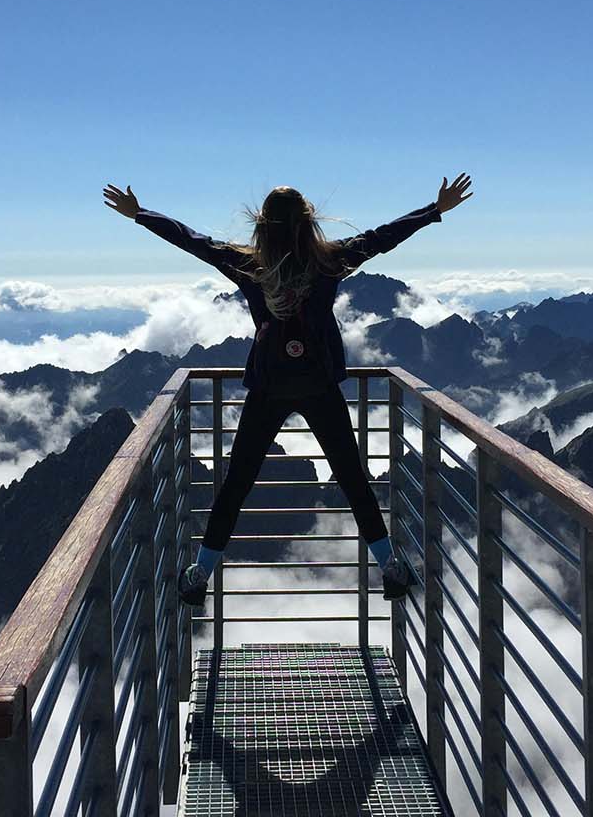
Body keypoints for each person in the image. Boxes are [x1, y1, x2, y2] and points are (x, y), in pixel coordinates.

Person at [102, 174, 474, 606]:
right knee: (353, 478)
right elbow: (382, 238)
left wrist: (141, 214)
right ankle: (390, 565)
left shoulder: (248, 265)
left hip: (269, 386)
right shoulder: (330, 262)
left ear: (263, 225)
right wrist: (434, 210)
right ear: (308, 221)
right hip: (318, 385)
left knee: (237, 481)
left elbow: (193, 241)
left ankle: (200, 573)